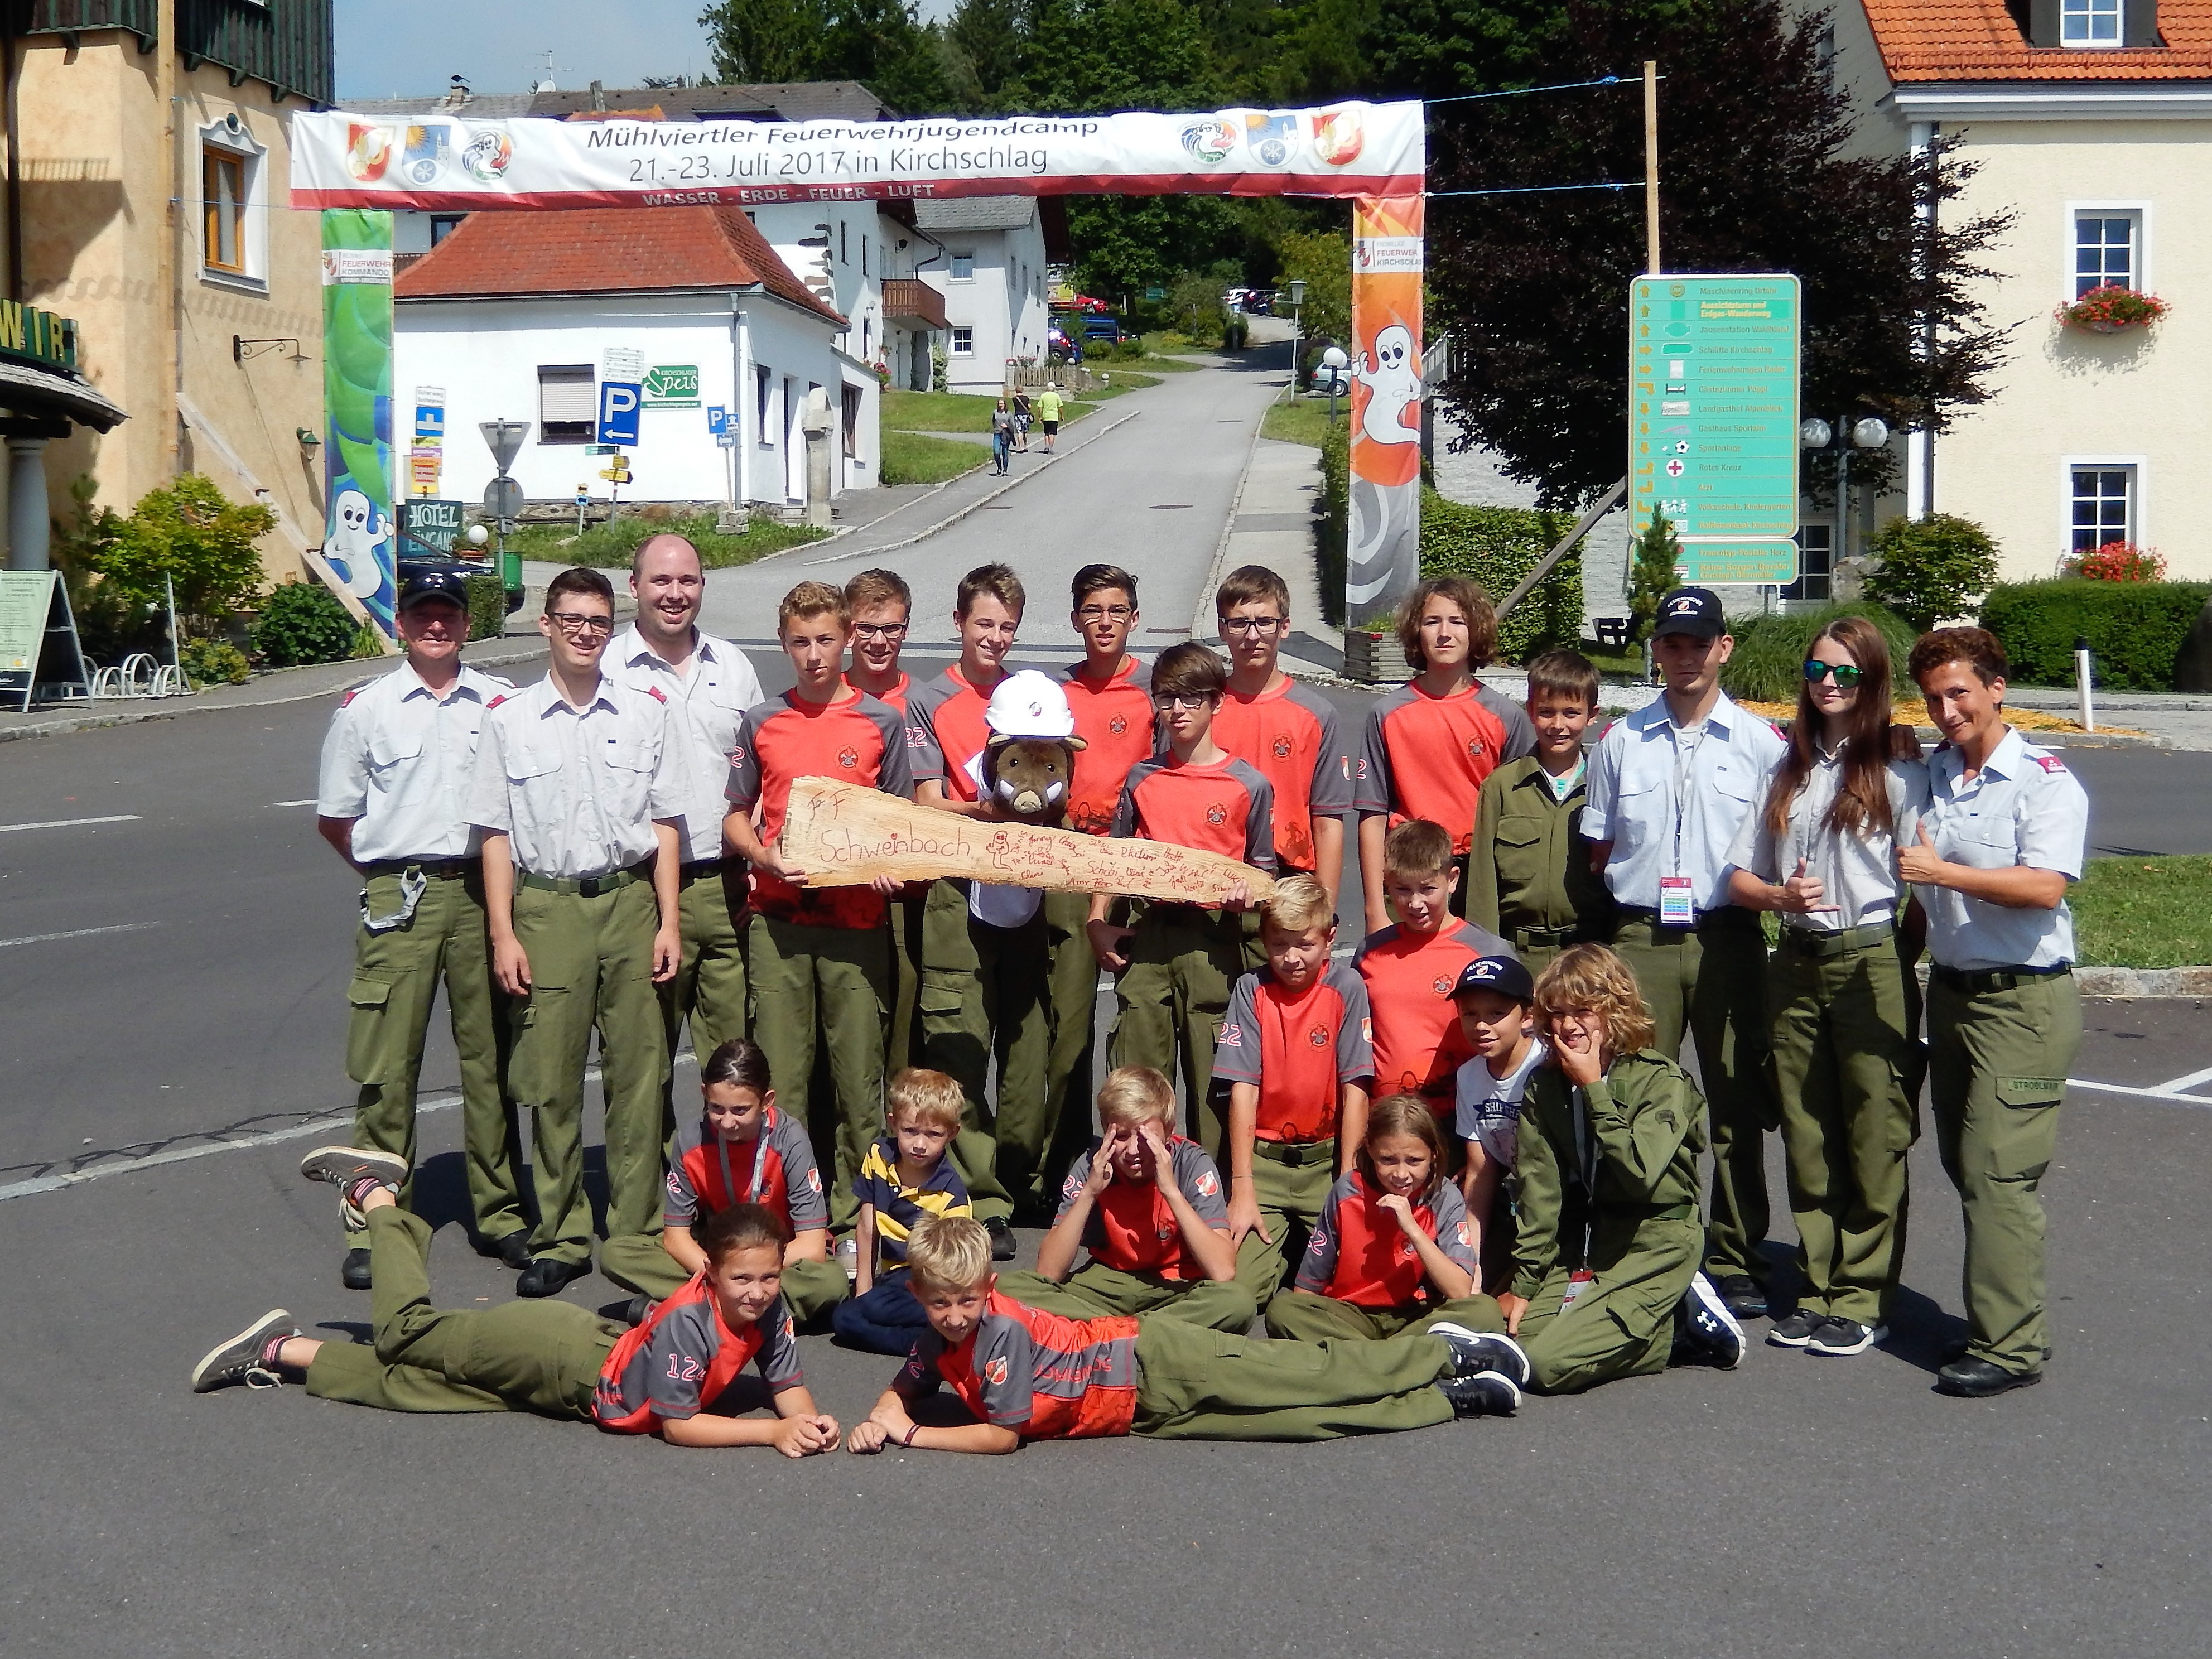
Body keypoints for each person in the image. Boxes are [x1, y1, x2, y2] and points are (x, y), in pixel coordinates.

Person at [194, 1151, 838, 1455]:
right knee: (406, 1336)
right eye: (741, 1279)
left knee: (421, 1388)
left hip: (571, 1385)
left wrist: (805, 1420)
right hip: (551, 1352)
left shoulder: (770, 1308)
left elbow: (787, 1384)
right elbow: (679, 1425)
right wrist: (770, 1431)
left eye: (768, 1277)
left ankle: (281, 1350)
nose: (757, 1291)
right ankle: (378, 1197)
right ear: (712, 1272)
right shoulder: (691, 1325)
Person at [844, 1214, 1529, 1451]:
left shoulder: (999, 1334)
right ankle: (1452, 1396)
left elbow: (1000, 1435)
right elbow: (902, 1385)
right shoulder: (936, 1336)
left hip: (1153, 1362)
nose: (954, 1315)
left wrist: (910, 1433)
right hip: (1134, 1416)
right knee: (1298, 1422)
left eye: (966, 1299)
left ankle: (1444, 1348)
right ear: (920, 1296)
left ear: (989, 1289)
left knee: (1307, 1375)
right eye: (940, 1304)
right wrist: (879, 1416)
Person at [468, 566, 683, 1298]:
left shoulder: (645, 711)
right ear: (547, 625)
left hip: (628, 903)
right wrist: (504, 933)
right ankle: (560, 1232)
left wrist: (669, 923)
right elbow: (494, 833)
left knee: (639, 1076)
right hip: (549, 908)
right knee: (551, 1080)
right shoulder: (509, 718)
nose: (586, 632)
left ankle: (635, 1228)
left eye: (598, 620)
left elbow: (665, 824)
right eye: (573, 619)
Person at [313, 569, 526, 1290]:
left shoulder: (500, 703)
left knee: (490, 1057)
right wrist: (385, 876)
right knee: (385, 1066)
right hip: (397, 893)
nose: (436, 625)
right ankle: (374, 1216)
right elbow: (336, 819)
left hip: (478, 891)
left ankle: (498, 1210)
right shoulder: (365, 709)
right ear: (400, 624)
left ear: (467, 625)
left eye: (449, 615)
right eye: (422, 615)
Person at [1582, 586, 1787, 1320]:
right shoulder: (1620, 741)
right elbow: (1599, 846)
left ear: (1723, 648)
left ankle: (1734, 1255)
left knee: (1734, 1101)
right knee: (1641, 1101)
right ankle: (1646, 1250)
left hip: (1728, 935)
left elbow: (1778, 843)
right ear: (1656, 649)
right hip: (1642, 936)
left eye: (1698, 641)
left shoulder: (1764, 745)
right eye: (1671, 641)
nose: (1685, 655)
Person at [1726, 616, 1928, 1358]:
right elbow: (1742, 874)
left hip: (1869, 954)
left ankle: (1862, 1294)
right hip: (1797, 960)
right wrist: (1777, 900)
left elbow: (1924, 884)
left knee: (1873, 1133)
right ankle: (1814, 1287)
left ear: (1872, 679)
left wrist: (1891, 958)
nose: (1830, 684)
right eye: (1818, 671)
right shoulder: (1788, 768)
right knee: (1808, 1132)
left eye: (1845, 671)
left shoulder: (1902, 768)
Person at [1900, 626, 2088, 1399]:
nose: (1946, 710)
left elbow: (2046, 886)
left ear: (1996, 687)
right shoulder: (1936, 775)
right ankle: (1995, 1316)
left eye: (1960, 693)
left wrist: (1940, 870)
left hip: (2024, 1001)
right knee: (1964, 1165)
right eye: (1934, 696)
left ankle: (2011, 1347)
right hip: (1953, 995)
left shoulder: (2043, 779)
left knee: (1998, 1173)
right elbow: (1920, 894)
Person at [722, 581, 911, 1239]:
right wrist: (764, 857)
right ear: (784, 645)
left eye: (825, 640)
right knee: (785, 1080)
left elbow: (899, 824)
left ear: (848, 639)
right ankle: (788, 1216)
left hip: (856, 926)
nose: (813, 655)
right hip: (779, 925)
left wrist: (891, 868)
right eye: (799, 643)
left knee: (860, 1082)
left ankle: (861, 1219)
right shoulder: (761, 722)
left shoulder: (881, 722)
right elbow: (735, 818)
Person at [1501, 945, 1746, 1393]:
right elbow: (1540, 1193)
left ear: (1614, 1011)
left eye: (1582, 1011)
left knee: (1546, 1364)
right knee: (1520, 1343)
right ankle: (1659, 1320)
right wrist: (1525, 1282)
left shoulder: (1661, 1080)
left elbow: (1638, 1174)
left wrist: (1594, 1088)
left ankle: (1678, 1332)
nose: (1567, 1026)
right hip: (1596, 1241)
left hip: (1656, 1239)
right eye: (1555, 1013)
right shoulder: (1545, 1085)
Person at [1090, 642, 1277, 1154]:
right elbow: (1117, 857)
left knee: (1213, 1070)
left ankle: (1210, 1188)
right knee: (1139, 1071)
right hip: (1149, 936)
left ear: (1217, 703)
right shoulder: (1141, 778)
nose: (1177, 711)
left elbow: (1264, 869)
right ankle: (1139, 1179)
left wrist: (1249, 896)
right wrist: (1097, 919)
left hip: (1212, 941)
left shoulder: (1248, 785)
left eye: (1192, 699)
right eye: (1167, 699)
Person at [906, 563, 1032, 1249]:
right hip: (956, 889)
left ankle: (1020, 1175)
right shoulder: (930, 700)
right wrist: (981, 808)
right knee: (959, 1045)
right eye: (984, 624)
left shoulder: (1031, 697)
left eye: (1007, 627)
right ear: (958, 623)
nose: (996, 638)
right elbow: (928, 803)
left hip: (1026, 889)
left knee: (1025, 1045)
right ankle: (977, 1197)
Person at [610, 533, 765, 1081]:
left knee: (731, 1069)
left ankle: (716, 1169)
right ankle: (656, 1170)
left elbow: (760, 778)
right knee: (643, 1065)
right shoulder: (606, 671)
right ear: (634, 586)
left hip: (727, 890)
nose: (674, 593)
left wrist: (757, 867)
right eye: (661, 580)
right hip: (641, 895)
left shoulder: (733, 665)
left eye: (687, 581)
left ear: (702, 586)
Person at [1045, 564, 1156, 1213]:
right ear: (1075, 619)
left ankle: (1143, 1154)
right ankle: (1066, 1158)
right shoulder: (1056, 691)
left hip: (1132, 864)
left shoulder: (1152, 690)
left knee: (1134, 1022)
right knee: (1066, 1023)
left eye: (1117, 609)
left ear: (1134, 618)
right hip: (1068, 855)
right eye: (1092, 610)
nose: (1105, 621)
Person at [599, 1038, 846, 1327]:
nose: (727, 1122)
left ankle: (696, 1310)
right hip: (715, 1260)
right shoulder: (692, 1139)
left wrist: (750, 1271)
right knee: (616, 1253)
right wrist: (723, 1272)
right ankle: (747, 1314)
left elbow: (812, 1246)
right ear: (704, 1093)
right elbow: (675, 1236)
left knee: (830, 1282)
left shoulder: (790, 1140)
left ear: (767, 1101)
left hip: (775, 1260)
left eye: (741, 1110)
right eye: (717, 1108)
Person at [995, 1065, 1256, 1334]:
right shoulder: (1093, 1164)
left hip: (1176, 1286)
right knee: (1010, 1289)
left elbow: (1223, 1270)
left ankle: (1110, 1334)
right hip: (1109, 1281)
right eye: (1120, 1136)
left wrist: (1171, 1191)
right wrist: (1090, 1193)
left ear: (1168, 1131)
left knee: (1238, 1303)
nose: (1133, 1150)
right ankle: (1147, 1335)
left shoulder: (1192, 1164)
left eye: (1146, 1136)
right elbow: (1048, 1271)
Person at [1213, 874, 1372, 1305]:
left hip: (1323, 1162)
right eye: (1279, 944)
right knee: (1237, 1290)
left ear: (1329, 937)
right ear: (1263, 939)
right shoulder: (1251, 989)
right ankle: (1282, 1252)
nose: (1292, 958)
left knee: (1352, 1285)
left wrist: (1347, 1179)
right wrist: (1242, 1187)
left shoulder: (1347, 988)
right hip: (1264, 1166)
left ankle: (1302, 1252)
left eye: (1305, 944)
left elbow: (1355, 1087)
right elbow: (1242, 1087)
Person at [1353, 576, 1535, 935]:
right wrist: (1375, 908)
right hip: (1411, 873)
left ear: (1476, 631)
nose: (1444, 633)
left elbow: (1522, 813)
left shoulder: (1505, 716)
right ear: (1416, 632)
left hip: (1480, 873)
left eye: (1457, 621)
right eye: (1432, 621)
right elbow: (1371, 815)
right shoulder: (1387, 714)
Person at [1264, 1094, 1512, 1345]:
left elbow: (1459, 1291)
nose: (1401, 1174)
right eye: (1388, 1160)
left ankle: (1365, 1359)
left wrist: (1413, 1230)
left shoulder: (1444, 1197)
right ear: (1371, 1150)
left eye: (1414, 1161)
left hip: (1414, 1316)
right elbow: (1307, 1287)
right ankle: (1395, 1359)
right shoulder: (1346, 1191)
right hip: (1351, 1315)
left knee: (1484, 1312)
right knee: (1283, 1311)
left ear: (1434, 1155)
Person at [1353, 819, 1514, 1161]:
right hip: (1386, 1124)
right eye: (1402, 890)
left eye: (1427, 889)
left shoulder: (1488, 952)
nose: (1415, 904)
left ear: (1452, 880)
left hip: (1461, 1123)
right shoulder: (1370, 952)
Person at [1210, 564, 1354, 917]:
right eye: (1239, 622)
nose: (1253, 635)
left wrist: (1326, 910)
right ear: (1222, 630)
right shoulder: (1203, 708)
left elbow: (1327, 820)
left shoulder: (1316, 714)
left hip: (1290, 882)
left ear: (1284, 627)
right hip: (1215, 876)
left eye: (1265, 622)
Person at [1469, 648, 1616, 972]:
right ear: (1530, 711)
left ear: (1593, 715)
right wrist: (1486, 957)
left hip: (1588, 955)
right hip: (1518, 953)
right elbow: (1482, 885)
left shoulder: (1606, 786)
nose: (1558, 725)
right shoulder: (1502, 787)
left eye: (1571, 713)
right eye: (1547, 712)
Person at [843, 568, 932, 1076]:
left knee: (907, 1035)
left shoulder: (922, 702)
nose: (879, 641)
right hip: (843, 894)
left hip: (913, 899)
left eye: (892, 629)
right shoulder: (826, 699)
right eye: (867, 628)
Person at [833, 1068, 975, 1354]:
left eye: (934, 1134)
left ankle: (940, 1336)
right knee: (850, 1316)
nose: (920, 1144)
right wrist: (864, 1287)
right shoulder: (878, 1157)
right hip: (894, 1281)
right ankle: (932, 1343)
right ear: (893, 1123)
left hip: (930, 1283)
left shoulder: (952, 1195)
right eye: (910, 1131)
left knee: (855, 1315)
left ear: (952, 1134)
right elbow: (866, 1224)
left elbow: (956, 1270)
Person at [1449, 954, 1547, 1294]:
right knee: (1474, 1293)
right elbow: (1481, 1171)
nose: (1481, 1026)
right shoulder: (1469, 1076)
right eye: (1470, 1014)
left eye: (1496, 1014)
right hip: (1515, 1203)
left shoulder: (1547, 1064)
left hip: (1560, 1206)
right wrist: (1469, 1264)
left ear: (1528, 1016)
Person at [1034, 383, 1063, 452]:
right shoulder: (1056, 396)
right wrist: (1062, 416)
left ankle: (1046, 447)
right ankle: (1050, 447)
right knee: (1052, 434)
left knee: (1047, 433)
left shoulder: (1043, 396)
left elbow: (1040, 407)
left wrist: (1040, 416)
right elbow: (1060, 407)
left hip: (1046, 416)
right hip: (1054, 417)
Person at [989, 397, 1014, 475]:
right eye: (999, 404)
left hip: (1006, 435)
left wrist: (1007, 426)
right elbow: (993, 421)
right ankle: (999, 467)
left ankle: (1005, 470)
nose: (1001, 406)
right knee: (996, 452)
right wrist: (996, 427)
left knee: (1005, 452)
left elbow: (1013, 425)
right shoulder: (995, 412)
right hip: (997, 433)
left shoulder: (1009, 414)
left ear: (1005, 405)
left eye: (1002, 404)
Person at [1012, 385, 1034, 452]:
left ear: (1016, 391)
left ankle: (1021, 447)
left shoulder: (1015, 399)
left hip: (1018, 415)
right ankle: (1025, 446)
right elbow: (1029, 407)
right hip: (1025, 415)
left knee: (1019, 431)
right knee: (1025, 431)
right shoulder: (1026, 398)